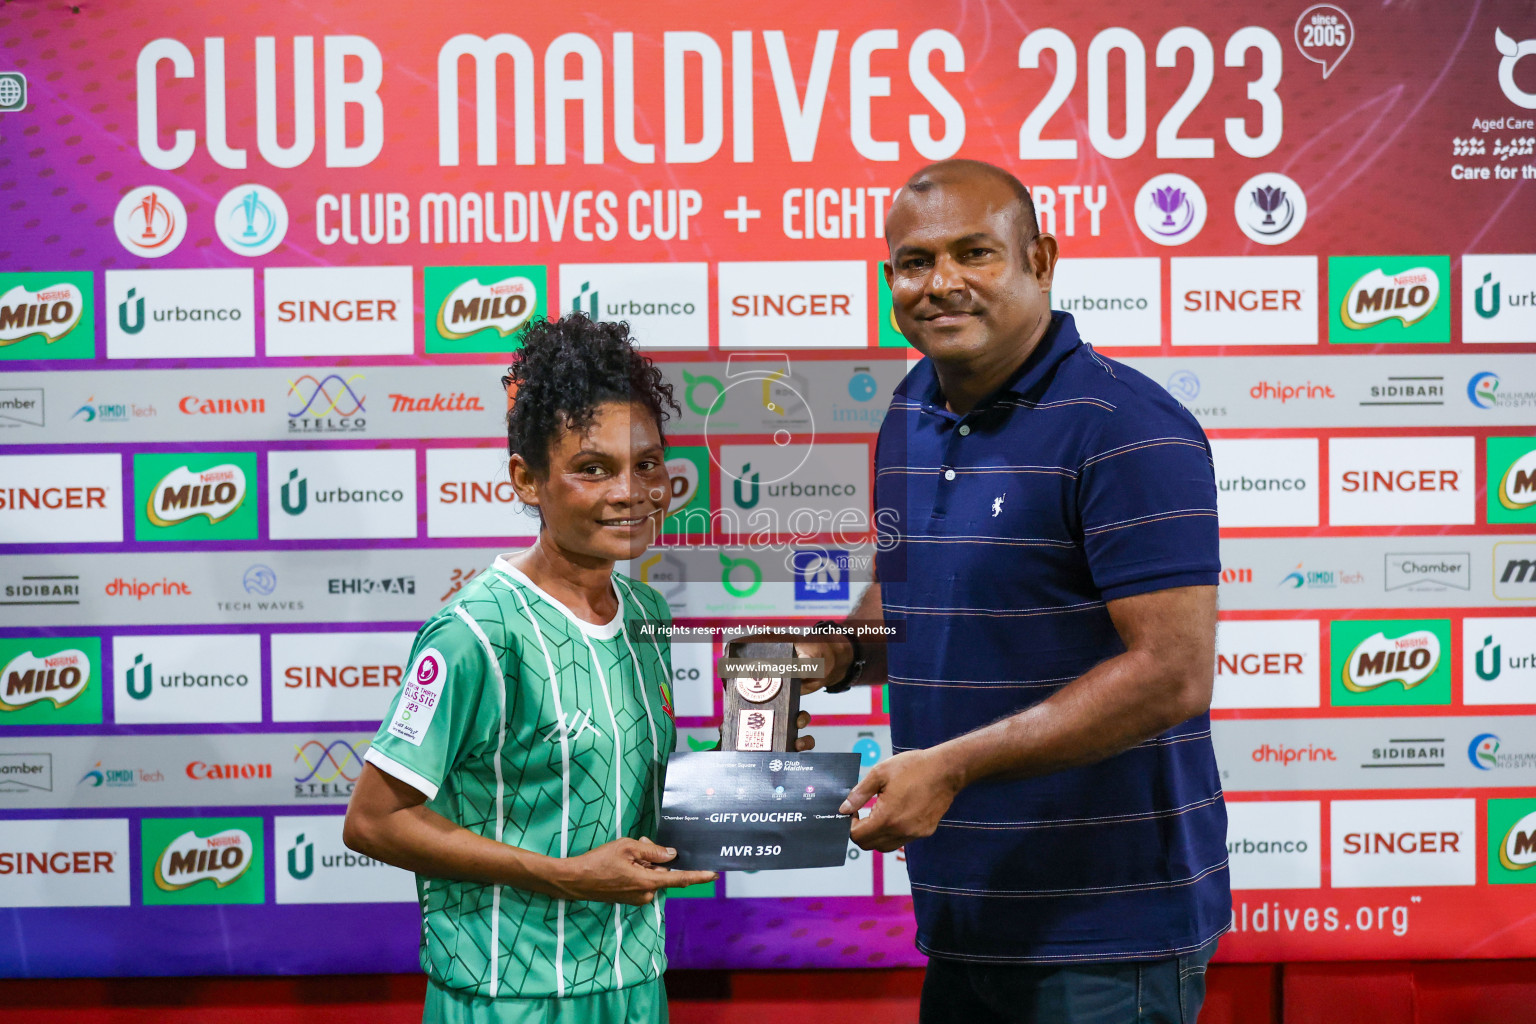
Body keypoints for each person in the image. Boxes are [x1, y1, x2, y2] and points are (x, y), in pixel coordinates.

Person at [800, 160, 1229, 1023]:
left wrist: (952, 766)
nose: (942, 283)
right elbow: (912, 600)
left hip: (1110, 934)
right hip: (967, 913)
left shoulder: (1128, 428)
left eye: (974, 253)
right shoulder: (911, 410)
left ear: (1042, 258)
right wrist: (834, 655)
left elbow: (1172, 674)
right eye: (915, 262)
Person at [344, 314, 810, 1024]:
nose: (631, 491)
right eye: (594, 469)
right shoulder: (475, 631)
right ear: (527, 481)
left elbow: (627, 802)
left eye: (647, 464)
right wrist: (565, 877)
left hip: (634, 983)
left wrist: (747, 771)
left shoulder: (646, 608)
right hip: (507, 996)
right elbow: (375, 822)